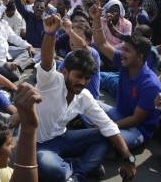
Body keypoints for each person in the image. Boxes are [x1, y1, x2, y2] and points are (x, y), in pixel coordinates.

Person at [35, 13, 136, 181]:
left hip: (63, 139)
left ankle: (77, 175)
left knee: (105, 135)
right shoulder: (50, 82)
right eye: (79, 76)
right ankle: (78, 166)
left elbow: (108, 126)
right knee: (52, 170)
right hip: (40, 146)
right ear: (65, 72)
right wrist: (50, 34)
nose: (83, 82)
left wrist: (129, 159)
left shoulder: (84, 96)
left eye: (87, 78)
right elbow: (46, 63)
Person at [90, 0, 161, 149]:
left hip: (137, 129)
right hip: (118, 114)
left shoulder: (151, 84)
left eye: (127, 51)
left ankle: (105, 144)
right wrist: (96, 19)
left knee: (104, 135)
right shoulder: (125, 62)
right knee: (84, 101)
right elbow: (102, 44)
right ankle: (104, 141)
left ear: (140, 56)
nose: (122, 53)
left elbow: (136, 119)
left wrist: (107, 126)